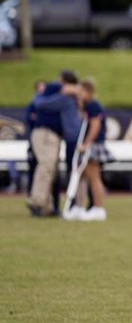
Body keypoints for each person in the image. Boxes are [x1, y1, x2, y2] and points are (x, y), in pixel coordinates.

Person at [28, 70, 81, 217]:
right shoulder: (60, 94)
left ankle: (46, 205)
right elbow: (39, 102)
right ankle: (37, 202)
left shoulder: (55, 93)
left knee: (51, 169)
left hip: (52, 135)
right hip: (45, 133)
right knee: (47, 166)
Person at [65, 77, 114, 222]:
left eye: (80, 91)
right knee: (81, 177)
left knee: (94, 177)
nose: (78, 94)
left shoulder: (93, 106)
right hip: (86, 145)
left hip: (93, 145)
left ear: (87, 91)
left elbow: (95, 126)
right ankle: (79, 207)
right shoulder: (86, 106)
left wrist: (87, 143)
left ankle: (98, 209)